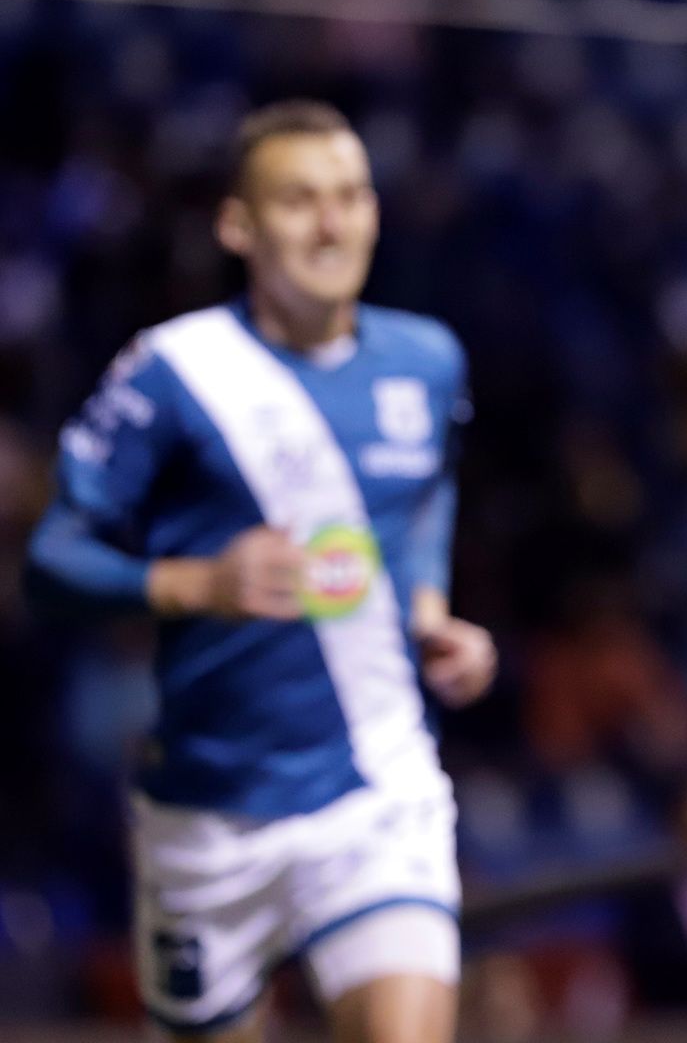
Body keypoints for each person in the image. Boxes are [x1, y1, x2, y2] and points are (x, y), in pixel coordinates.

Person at [26, 100, 496, 1043]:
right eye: (300, 200)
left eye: (352, 196)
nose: (333, 222)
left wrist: (431, 603)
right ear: (239, 225)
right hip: (209, 827)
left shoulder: (428, 360)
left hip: (375, 793)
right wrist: (194, 584)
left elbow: (430, 488)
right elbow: (51, 562)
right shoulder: (173, 373)